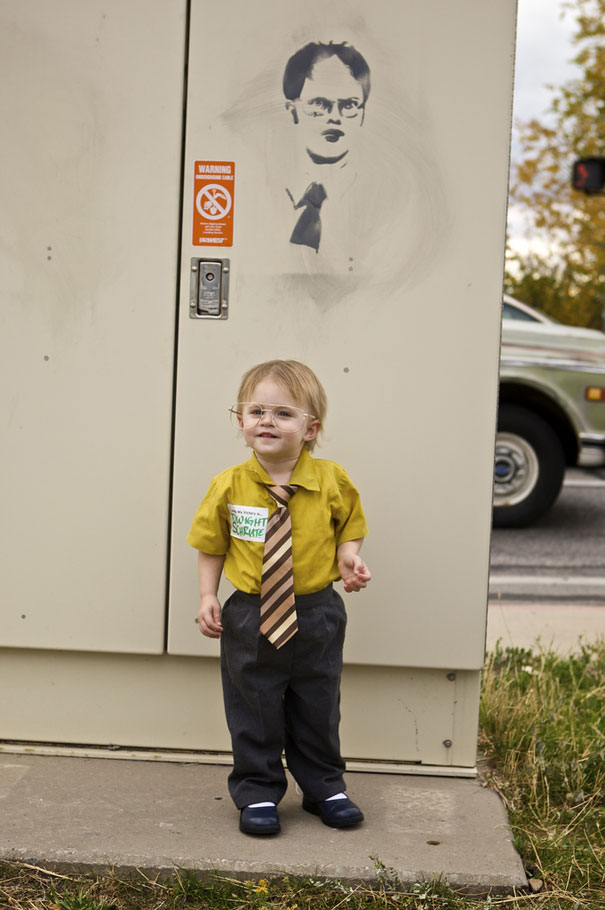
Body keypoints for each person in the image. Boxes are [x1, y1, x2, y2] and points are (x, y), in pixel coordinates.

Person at [187, 359, 371, 836]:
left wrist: (350, 558)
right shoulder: (228, 486)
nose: (267, 421)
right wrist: (208, 595)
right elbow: (212, 545)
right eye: (256, 411)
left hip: (316, 612)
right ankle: (258, 792)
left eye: (283, 414)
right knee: (255, 706)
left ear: (311, 429)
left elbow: (350, 528)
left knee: (318, 703)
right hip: (250, 614)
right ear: (240, 421)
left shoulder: (332, 480)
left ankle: (325, 788)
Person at [282, 42, 371, 253]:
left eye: (348, 106)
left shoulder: (380, 199)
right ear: (292, 111)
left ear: (363, 114)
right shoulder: (265, 189)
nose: (335, 118)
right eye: (320, 104)